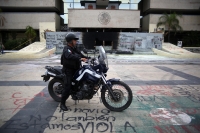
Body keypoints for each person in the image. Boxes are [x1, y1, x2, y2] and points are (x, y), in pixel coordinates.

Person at [60, 33, 88, 111]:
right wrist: (80, 59)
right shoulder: (67, 49)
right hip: (68, 71)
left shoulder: (74, 48)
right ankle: (62, 103)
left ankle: (78, 92)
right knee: (67, 87)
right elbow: (69, 56)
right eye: (74, 40)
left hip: (75, 69)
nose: (76, 41)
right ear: (70, 41)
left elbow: (80, 54)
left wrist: (87, 58)